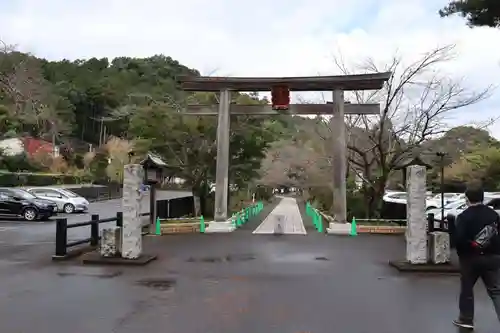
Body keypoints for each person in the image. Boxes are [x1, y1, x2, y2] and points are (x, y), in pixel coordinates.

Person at [453, 183, 500, 329]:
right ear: (483, 197)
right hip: (493, 257)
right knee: (496, 291)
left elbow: (459, 240)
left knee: (467, 289)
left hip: (470, 259)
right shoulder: (493, 215)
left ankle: (466, 319)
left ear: (466, 198)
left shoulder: (464, 217)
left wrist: (464, 250)